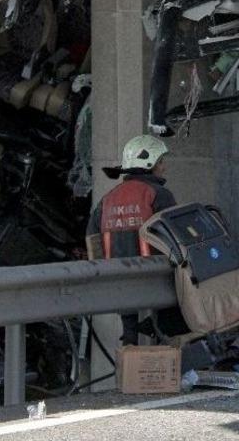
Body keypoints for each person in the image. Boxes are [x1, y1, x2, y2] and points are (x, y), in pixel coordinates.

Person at [86, 134, 177, 345]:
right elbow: (176, 237)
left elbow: (93, 241)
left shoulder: (107, 199)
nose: (164, 167)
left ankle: (130, 346)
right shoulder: (158, 194)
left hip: (119, 283)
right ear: (149, 163)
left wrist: (103, 274)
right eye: (161, 161)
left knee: (130, 341)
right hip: (157, 280)